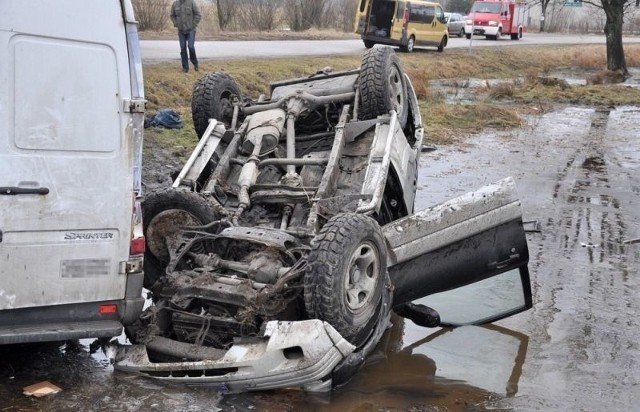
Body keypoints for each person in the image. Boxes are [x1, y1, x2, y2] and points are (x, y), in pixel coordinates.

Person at [170, 0, 202, 73]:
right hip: (181, 30)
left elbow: (198, 15)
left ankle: (195, 63)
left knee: (191, 46)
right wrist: (176, 23)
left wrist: (193, 25)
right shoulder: (175, 4)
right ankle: (185, 68)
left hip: (191, 30)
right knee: (183, 48)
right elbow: (172, 15)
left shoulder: (192, 2)